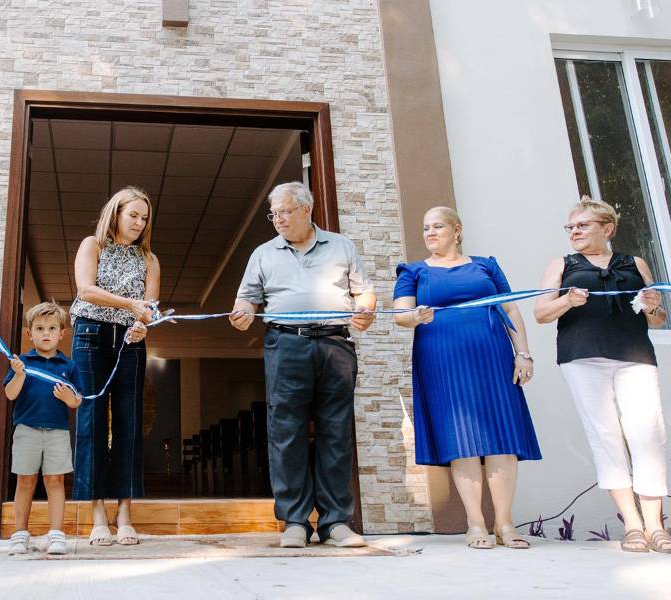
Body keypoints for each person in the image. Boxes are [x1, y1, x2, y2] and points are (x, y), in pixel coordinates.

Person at [230, 181, 376, 549]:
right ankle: (294, 521)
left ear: (306, 210)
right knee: (286, 431)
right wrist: (243, 314)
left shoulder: (342, 246)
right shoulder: (263, 253)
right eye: (273, 213)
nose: (278, 219)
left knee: (336, 430)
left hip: (334, 343)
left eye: (285, 211)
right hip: (285, 344)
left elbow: (366, 293)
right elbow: (247, 299)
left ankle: (335, 523)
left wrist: (366, 310)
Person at [392, 206, 541, 550]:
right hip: (443, 361)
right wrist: (414, 316)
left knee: (502, 438)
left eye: (438, 226)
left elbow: (511, 308)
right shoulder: (413, 271)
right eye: (425, 227)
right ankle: (476, 523)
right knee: (462, 441)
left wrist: (523, 352)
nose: (429, 233)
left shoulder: (485, 264)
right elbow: (400, 315)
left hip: (493, 357)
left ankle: (505, 522)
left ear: (457, 230)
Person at [534, 196, 670, 554]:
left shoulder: (633, 262)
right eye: (571, 227)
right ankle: (634, 526)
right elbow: (541, 312)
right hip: (583, 357)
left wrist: (655, 307)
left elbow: (656, 319)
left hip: (634, 356)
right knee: (605, 435)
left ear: (607, 229)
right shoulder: (562, 264)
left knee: (648, 434)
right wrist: (567, 301)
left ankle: (657, 525)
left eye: (582, 225)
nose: (575, 232)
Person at [70, 186, 158, 546]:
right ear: (116, 213)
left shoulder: (150, 259)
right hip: (90, 335)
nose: (139, 223)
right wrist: (131, 305)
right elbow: (85, 290)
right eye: (133, 214)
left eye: (145, 218)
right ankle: (97, 515)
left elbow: (150, 307)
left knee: (129, 422)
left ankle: (125, 513)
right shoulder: (92, 245)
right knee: (91, 420)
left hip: (130, 340)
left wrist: (143, 321)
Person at [3, 301, 83, 556]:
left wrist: (68, 399)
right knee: (25, 480)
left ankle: (56, 535)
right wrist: (18, 375)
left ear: (62, 333)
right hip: (26, 429)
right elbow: (10, 394)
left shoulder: (68, 366)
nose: (45, 333)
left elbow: (78, 399)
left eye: (51, 328)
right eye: (39, 328)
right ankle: (19, 534)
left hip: (57, 431)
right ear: (30, 334)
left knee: (55, 480)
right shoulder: (22, 363)